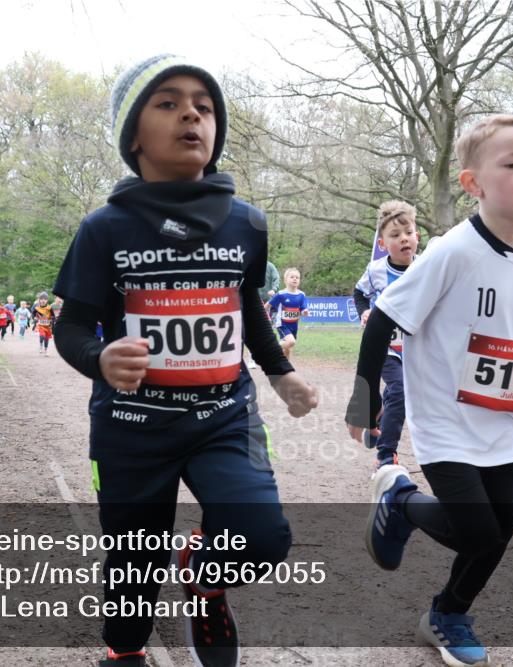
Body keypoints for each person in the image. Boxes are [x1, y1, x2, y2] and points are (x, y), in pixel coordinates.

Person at [51, 54, 317, 667]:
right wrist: (98, 358)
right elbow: (69, 326)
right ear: (134, 136)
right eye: (168, 102)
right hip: (131, 429)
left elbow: (245, 304)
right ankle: (125, 654)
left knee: (263, 536)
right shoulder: (103, 229)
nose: (192, 113)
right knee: (133, 570)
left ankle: (205, 578)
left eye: (204, 104)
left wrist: (281, 373)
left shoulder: (247, 222)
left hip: (224, 416)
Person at [345, 115, 513, 666]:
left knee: (502, 528)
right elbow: (381, 321)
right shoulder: (452, 251)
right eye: (512, 165)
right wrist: (364, 395)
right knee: (477, 531)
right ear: (474, 183)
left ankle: (446, 612)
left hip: (501, 423)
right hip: (445, 423)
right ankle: (401, 499)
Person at [353, 200, 419, 472]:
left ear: (417, 236)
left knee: (402, 395)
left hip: (417, 350)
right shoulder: (376, 270)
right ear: (383, 244)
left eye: (408, 233)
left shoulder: (427, 268)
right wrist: (365, 312)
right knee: (400, 391)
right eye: (395, 235)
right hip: (387, 348)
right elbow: (359, 293)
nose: (404, 239)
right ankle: (386, 455)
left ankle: (377, 416)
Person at [266, 268, 308, 360]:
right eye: (292, 277)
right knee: (291, 342)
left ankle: (286, 369)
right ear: (285, 280)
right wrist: (259, 316)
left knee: (287, 349)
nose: (295, 279)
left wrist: (305, 312)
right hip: (282, 324)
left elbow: (303, 309)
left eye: (297, 277)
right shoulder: (281, 294)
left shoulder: (301, 295)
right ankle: (271, 348)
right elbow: (267, 305)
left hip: (294, 325)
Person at [247, 260, 281, 369]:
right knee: (252, 330)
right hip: (253, 300)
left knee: (266, 331)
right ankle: (251, 358)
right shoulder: (251, 264)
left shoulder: (270, 266)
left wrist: (274, 289)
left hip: (267, 302)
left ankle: (268, 358)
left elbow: (276, 278)